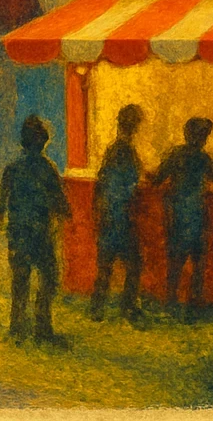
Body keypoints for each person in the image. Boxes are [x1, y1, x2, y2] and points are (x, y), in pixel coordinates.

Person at [0, 115, 71, 346]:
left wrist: (5, 220)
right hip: (40, 235)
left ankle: (17, 328)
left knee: (20, 282)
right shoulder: (47, 169)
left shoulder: (12, 169)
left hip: (18, 235)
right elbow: (61, 205)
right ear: (42, 142)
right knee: (48, 278)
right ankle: (42, 328)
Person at [154, 117, 213, 309]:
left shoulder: (176, 155)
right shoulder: (204, 159)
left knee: (176, 259)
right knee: (198, 260)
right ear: (202, 138)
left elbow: (157, 179)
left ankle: (171, 300)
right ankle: (195, 300)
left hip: (177, 214)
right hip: (197, 214)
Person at [90, 103, 144, 322]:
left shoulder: (113, 150)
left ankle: (97, 308)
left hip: (109, 215)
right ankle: (127, 307)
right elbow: (131, 183)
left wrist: (98, 209)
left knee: (106, 265)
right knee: (134, 263)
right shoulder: (125, 151)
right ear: (133, 126)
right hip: (120, 216)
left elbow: (101, 182)